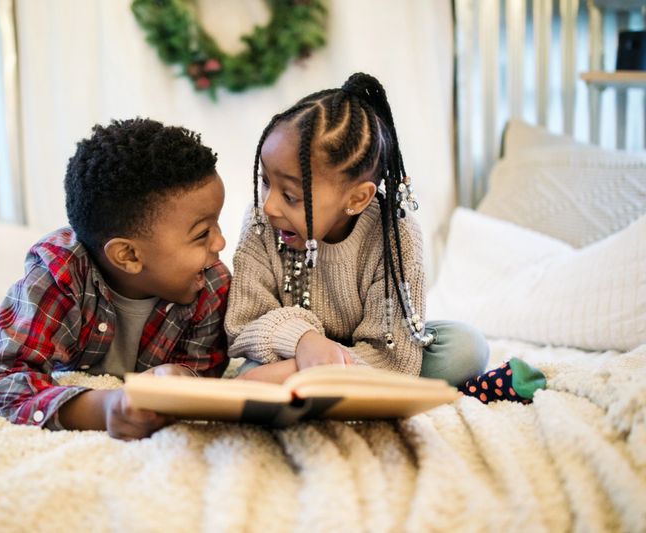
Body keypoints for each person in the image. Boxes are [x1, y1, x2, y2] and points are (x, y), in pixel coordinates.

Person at [224, 73, 545, 404]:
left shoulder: (396, 236)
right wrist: (304, 340)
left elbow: (395, 357)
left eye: (290, 195)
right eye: (265, 181)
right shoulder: (263, 220)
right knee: (251, 364)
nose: (269, 204)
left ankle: (305, 379)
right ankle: (317, 378)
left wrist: (318, 365)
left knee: (465, 347)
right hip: (291, 350)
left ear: (357, 199)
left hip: (370, 356)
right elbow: (244, 321)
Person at [0, 118, 230, 439]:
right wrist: (105, 407)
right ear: (129, 256)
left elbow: (204, 372)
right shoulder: (58, 274)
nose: (220, 243)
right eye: (203, 233)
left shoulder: (211, 285)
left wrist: (181, 379)